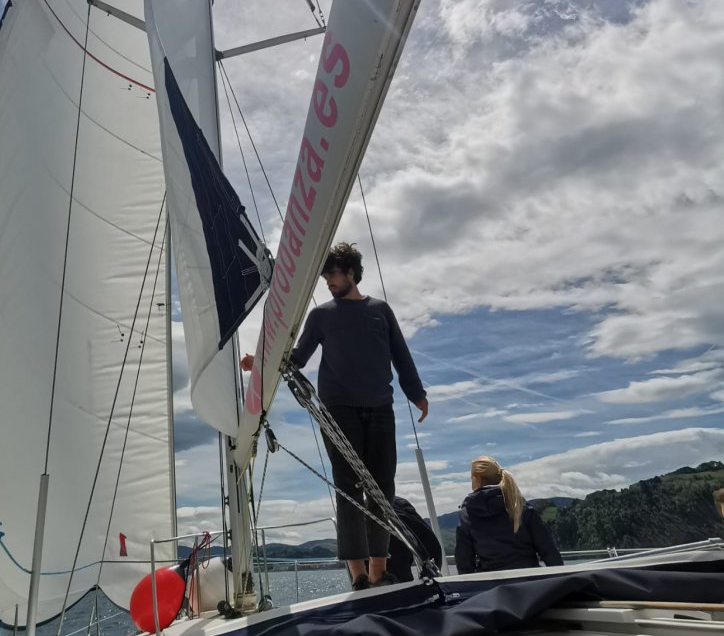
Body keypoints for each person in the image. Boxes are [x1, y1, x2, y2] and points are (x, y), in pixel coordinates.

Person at [241, 243, 428, 590]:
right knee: (349, 488)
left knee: (382, 486)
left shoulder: (380, 311)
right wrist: (260, 363)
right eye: (326, 276)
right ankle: (358, 575)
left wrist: (417, 394)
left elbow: (401, 355)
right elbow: (296, 358)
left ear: (352, 273)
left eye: (334, 274)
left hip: (380, 407)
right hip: (338, 410)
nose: (328, 281)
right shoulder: (322, 316)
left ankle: (378, 571)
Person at [455, 455, 563, 574]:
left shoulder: (468, 514)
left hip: (491, 587)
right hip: (530, 584)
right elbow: (549, 552)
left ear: (477, 479)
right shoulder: (520, 507)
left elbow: (464, 562)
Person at [388, 496, 443, 580]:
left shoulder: (363, 513)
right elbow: (431, 546)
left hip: (369, 582)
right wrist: (429, 577)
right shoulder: (398, 505)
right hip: (401, 579)